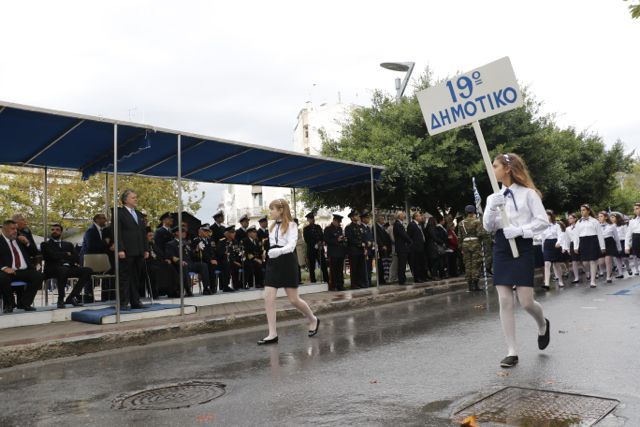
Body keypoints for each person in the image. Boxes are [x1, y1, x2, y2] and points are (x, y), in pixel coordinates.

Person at [483, 153, 550, 368]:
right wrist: (492, 208)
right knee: (504, 300)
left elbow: (543, 222)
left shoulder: (529, 194)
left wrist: (521, 230)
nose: (492, 170)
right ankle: (512, 351)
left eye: (495, 166)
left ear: (508, 169)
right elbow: (488, 226)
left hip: (522, 245)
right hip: (502, 246)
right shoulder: (493, 196)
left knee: (526, 301)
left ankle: (542, 324)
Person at [258, 199, 320, 345]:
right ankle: (272, 334)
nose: (270, 212)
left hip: (287, 261)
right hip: (273, 262)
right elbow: (273, 244)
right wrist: (270, 252)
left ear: (281, 210)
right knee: (268, 296)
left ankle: (313, 319)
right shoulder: (271, 226)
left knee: (293, 299)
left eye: (272, 209)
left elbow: (291, 246)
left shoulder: (292, 225)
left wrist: (278, 251)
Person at [41, 223, 91, 308]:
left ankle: (71, 297)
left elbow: (76, 257)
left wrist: (61, 255)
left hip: (68, 268)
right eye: (52, 230)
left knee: (87, 270)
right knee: (62, 270)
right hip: (52, 269)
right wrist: (66, 254)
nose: (54, 231)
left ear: (61, 232)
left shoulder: (68, 244)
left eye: (57, 230)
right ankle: (60, 299)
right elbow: (52, 256)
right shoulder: (45, 244)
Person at [116, 189, 149, 310]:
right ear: (125, 200)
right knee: (125, 277)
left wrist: (146, 249)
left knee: (136, 277)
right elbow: (117, 232)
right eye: (133, 197)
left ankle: (135, 301)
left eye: (136, 197)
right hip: (126, 251)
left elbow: (143, 233)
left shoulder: (139, 214)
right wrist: (120, 249)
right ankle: (123, 302)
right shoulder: (119, 213)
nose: (136, 199)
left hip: (139, 251)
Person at [0, 219, 42, 313]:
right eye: (12, 229)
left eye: (16, 229)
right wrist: (4, 268)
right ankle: (9, 304)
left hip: (24, 270)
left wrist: (27, 243)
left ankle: (24, 303)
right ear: (4, 229)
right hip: (8, 272)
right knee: (2, 277)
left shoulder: (20, 240)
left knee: (38, 276)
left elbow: (35, 253)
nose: (15, 231)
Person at [574, 204, 605, 288]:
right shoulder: (579, 222)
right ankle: (592, 272)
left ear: (588, 211)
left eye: (584, 210)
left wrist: (602, 246)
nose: (582, 212)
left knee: (593, 261)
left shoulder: (594, 221)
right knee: (585, 262)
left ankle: (593, 281)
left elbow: (600, 234)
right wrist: (576, 246)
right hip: (583, 241)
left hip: (593, 241)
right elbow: (576, 235)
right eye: (581, 210)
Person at [145, 228, 180, 298]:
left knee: (170, 267)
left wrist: (166, 259)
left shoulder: (154, 245)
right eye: (150, 236)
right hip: (149, 264)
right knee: (155, 270)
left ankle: (171, 291)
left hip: (159, 263)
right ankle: (155, 292)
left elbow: (161, 254)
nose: (152, 237)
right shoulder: (144, 245)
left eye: (152, 235)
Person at [457, 205, 486, 291]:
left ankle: (469, 286)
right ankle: (475, 285)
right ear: (473, 212)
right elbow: (480, 234)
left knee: (468, 264)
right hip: (475, 243)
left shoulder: (461, 223)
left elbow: (459, 237)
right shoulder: (477, 222)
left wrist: (460, 247)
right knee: (476, 264)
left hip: (465, 244)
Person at [541, 210, 566, 289]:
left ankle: (560, 281)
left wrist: (559, 242)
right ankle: (547, 284)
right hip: (547, 244)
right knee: (547, 264)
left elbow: (560, 235)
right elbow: (542, 238)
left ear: (551, 216)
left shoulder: (557, 225)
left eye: (548, 215)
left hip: (555, 244)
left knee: (557, 264)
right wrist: (542, 248)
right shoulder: (542, 226)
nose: (546, 217)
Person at [303, 212, 329, 283]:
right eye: (310, 218)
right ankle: (313, 282)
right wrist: (315, 244)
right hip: (312, 250)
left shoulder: (318, 227)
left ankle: (326, 281)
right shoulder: (306, 229)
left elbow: (322, 236)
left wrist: (322, 242)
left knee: (323, 266)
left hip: (320, 250)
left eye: (313, 218)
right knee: (312, 268)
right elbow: (307, 240)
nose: (312, 220)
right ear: (308, 220)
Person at [597, 211, 621, 283]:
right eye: (598, 217)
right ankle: (607, 271)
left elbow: (616, 237)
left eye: (601, 216)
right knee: (601, 262)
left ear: (606, 217)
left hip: (609, 242)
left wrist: (619, 247)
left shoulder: (612, 226)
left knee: (608, 260)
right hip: (601, 243)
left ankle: (608, 277)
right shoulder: (597, 226)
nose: (599, 218)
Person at [324, 213, 346, 291]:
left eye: (340, 222)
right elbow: (327, 240)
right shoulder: (328, 229)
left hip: (340, 252)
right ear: (334, 221)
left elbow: (341, 238)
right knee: (333, 270)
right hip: (333, 252)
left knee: (340, 270)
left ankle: (340, 285)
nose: (339, 223)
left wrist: (343, 239)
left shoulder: (340, 229)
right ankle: (334, 285)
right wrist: (337, 240)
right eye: (338, 222)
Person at [345, 210, 367, 289]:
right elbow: (350, 239)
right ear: (351, 218)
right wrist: (360, 244)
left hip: (360, 250)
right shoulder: (348, 227)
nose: (357, 217)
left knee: (360, 268)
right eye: (355, 215)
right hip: (353, 250)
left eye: (357, 215)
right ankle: (354, 284)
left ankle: (360, 283)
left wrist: (364, 247)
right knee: (354, 268)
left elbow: (363, 237)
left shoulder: (360, 226)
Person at [215, 226, 240, 292]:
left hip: (232, 261)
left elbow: (237, 253)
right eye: (232, 232)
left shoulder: (235, 241)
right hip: (222, 262)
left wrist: (236, 260)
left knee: (238, 265)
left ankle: (237, 285)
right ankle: (225, 286)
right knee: (227, 265)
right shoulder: (222, 242)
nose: (234, 234)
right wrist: (233, 261)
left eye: (234, 232)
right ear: (227, 234)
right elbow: (220, 254)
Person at [393, 211, 412, 285]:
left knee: (402, 264)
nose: (404, 216)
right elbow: (403, 235)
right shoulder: (397, 224)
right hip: (401, 247)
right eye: (402, 215)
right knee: (402, 264)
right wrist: (410, 241)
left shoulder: (399, 224)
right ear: (399, 216)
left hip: (402, 247)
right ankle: (402, 280)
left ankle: (403, 279)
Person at [407, 212, 427, 283]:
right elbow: (409, 236)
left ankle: (422, 277)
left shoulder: (419, 225)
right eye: (419, 216)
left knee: (421, 263)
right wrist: (412, 245)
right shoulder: (411, 225)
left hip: (421, 247)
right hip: (415, 248)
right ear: (416, 217)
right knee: (416, 264)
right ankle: (417, 278)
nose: (421, 217)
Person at [375, 214, 393, 284]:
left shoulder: (382, 227)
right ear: (378, 220)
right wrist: (382, 245)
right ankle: (381, 279)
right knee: (381, 264)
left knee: (385, 264)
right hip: (380, 248)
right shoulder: (376, 227)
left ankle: (384, 279)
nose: (383, 220)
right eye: (382, 219)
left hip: (386, 248)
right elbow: (377, 237)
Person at [360, 211, 375, 287]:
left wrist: (372, 243)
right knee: (365, 267)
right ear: (363, 219)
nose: (368, 219)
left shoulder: (368, 228)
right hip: (365, 250)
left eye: (368, 218)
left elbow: (371, 238)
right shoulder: (360, 228)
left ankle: (369, 281)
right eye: (367, 218)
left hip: (370, 250)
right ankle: (366, 282)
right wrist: (366, 243)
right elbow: (361, 238)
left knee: (369, 267)